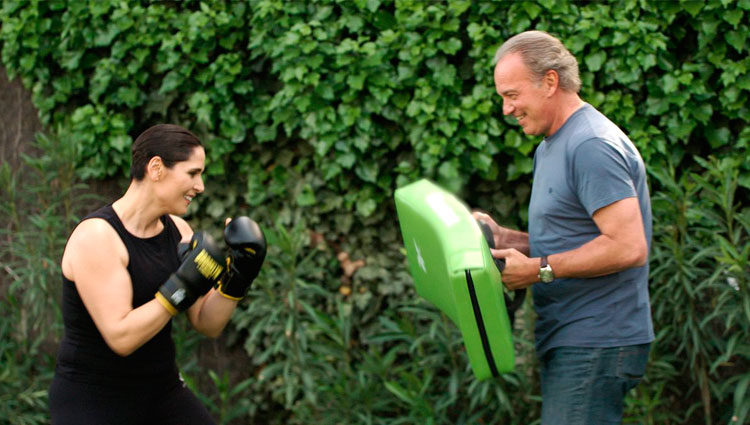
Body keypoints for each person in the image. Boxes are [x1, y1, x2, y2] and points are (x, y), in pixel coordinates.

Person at [473, 31, 654, 424]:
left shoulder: (591, 144)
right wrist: (508, 239)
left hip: (596, 338)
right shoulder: (552, 144)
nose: (506, 109)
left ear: (550, 81)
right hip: (573, 336)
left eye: (512, 94)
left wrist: (538, 269)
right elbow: (576, 237)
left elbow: (628, 246)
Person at [48, 124, 266, 424]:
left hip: (160, 391)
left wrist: (240, 274)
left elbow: (207, 323)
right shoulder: (97, 237)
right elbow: (121, 337)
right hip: (95, 398)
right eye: (192, 173)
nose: (200, 186)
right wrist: (182, 287)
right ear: (156, 168)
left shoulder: (179, 232)